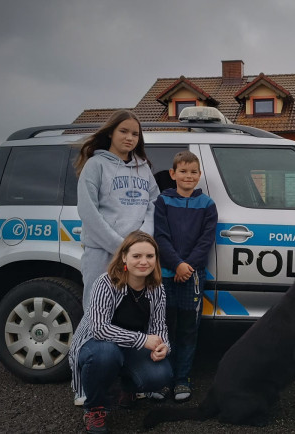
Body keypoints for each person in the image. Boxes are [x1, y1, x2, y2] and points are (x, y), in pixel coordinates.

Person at [69, 230, 173, 434]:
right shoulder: (105, 283)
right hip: (95, 344)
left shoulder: (157, 288)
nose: (144, 262)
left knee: (162, 373)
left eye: (149, 256)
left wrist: (164, 347)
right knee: (107, 354)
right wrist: (143, 339)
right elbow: (99, 329)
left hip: (130, 346)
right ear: (124, 257)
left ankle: (127, 389)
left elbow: (160, 326)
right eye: (137, 256)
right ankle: (95, 408)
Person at [75, 109, 159, 310]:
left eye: (135, 134)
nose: (130, 138)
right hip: (102, 252)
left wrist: (142, 241)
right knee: (98, 309)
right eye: (124, 131)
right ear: (111, 133)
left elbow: (153, 203)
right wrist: (120, 247)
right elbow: (88, 211)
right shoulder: (96, 165)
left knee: (131, 311)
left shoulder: (143, 168)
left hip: (136, 254)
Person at [153, 150, 217, 402]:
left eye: (193, 172)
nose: (188, 176)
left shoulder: (207, 205)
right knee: (165, 327)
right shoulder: (163, 201)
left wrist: (187, 266)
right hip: (166, 276)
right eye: (183, 171)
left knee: (188, 330)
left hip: (193, 276)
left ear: (199, 175)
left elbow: (206, 240)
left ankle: (181, 379)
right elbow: (161, 237)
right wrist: (176, 264)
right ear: (173, 174)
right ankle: (162, 379)